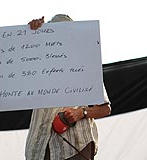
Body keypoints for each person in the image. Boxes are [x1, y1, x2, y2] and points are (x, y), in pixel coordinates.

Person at [25, 14, 111, 160]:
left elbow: (105, 108)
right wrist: (31, 34)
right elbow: (16, 66)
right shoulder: (36, 64)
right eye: (55, 32)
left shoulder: (85, 66)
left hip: (74, 147)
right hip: (38, 148)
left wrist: (81, 113)